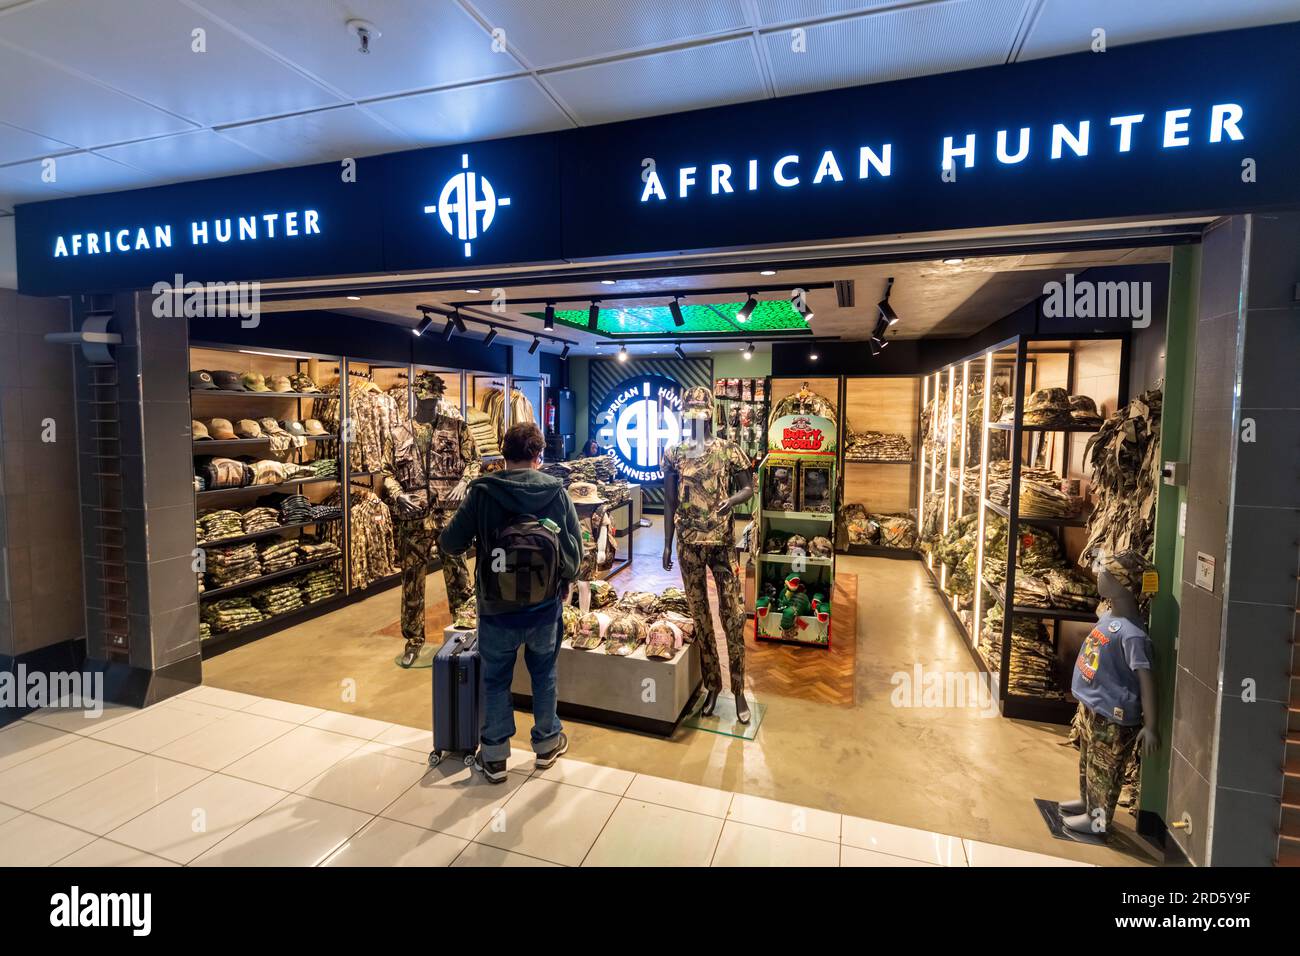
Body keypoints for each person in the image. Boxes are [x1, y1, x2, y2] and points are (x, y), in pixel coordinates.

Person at [440, 421, 583, 783]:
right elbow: (574, 555)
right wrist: (562, 580)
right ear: (539, 455)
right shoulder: (556, 492)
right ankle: (547, 744)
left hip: (495, 607)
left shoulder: (484, 492)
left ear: (504, 454)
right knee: (544, 674)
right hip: (543, 607)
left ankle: (494, 757)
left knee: (495, 678)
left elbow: (451, 543)